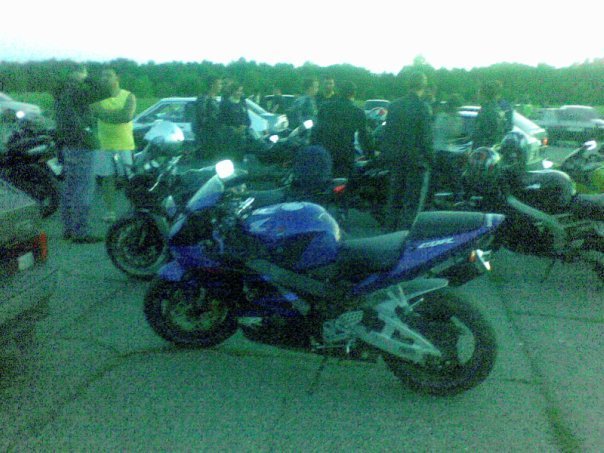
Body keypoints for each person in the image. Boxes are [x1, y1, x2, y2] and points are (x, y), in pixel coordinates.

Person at [54, 65, 112, 243]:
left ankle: (68, 229)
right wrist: (86, 78)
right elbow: (105, 91)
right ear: (78, 73)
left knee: (70, 188)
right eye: (84, 72)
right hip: (82, 145)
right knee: (84, 190)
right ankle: (80, 232)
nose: (86, 75)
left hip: (68, 145)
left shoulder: (62, 92)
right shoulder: (76, 92)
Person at [381, 71, 434, 232]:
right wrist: (431, 159)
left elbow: (387, 134)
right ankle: (405, 237)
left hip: (397, 160)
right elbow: (426, 138)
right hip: (417, 162)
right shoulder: (423, 107)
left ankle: (389, 234)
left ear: (408, 84)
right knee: (412, 204)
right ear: (424, 86)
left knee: (394, 201)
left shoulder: (394, 105)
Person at [90, 69, 136, 223]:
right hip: (103, 145)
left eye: (108, 75)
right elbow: (98, 113)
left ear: (117, 77)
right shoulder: (96, 97)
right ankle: (110, 212)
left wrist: (106, 114)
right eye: (102, 75)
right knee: (107, 179)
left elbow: (126, 116)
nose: (104, 78)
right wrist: (116, 114)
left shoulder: (128, 96)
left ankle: (133, 209)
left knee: (128, 179)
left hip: (124, 144)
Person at [311, 80, 372, 179]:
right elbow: (363, 136)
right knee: (345, 182)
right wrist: (371, 155)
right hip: (345, 155)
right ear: (353, 93)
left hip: (324, 152)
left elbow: (316, 130)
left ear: (339, 92)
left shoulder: (325, 107)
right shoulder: (358, 112)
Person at [191, 75, 223, 161]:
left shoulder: (214, 99)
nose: (221, 86)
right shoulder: (204, 99)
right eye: (219, 84)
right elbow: (201, 118)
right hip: (207, 138)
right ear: (212, 85)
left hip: (215, 136)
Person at [218, 82, 251, 162]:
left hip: (242, 138)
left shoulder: (243, 103)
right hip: (229, 138)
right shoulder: (225, 103)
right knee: (229, 159)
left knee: (240, 159)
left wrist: (244, 126)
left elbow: (247, 119)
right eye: (237, 90)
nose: (239, 93)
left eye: (241, 91)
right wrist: (232, 129)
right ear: (232, 91)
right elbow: (221, 121)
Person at [472, 81, 506, 149]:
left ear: (484, 95)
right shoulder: (497, 109)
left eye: (479, 93)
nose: (477, 96)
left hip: (484, 149)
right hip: (494, 148)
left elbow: (481, 135)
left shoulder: (486, 111)